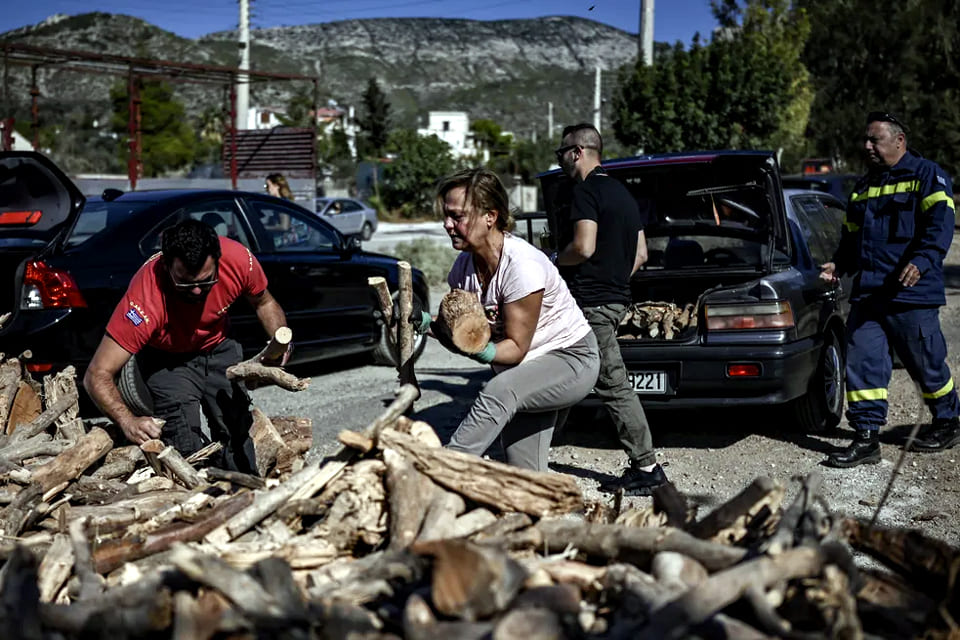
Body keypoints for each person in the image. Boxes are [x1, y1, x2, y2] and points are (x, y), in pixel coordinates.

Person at [83, 219, 290, 473]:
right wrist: (128, 421)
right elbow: (96, 374)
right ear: (167, 266)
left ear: (218, 260)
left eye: (205, 282)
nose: (195, 292)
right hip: (169, 361)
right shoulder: (144, 300)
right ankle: (198, 499)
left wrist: (281, 341)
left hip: (219, 346)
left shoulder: (237, 260)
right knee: (185, 445)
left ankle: (244, 491)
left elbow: (264, 303)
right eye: (185, 283)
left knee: (235, 429)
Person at [433, 167, 600, 472]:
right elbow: (463, 332)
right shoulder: (463, 268)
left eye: (457, 216)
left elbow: (515, 348)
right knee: (525, 472)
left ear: (490, 217)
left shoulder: (522, 266)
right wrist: (423, 325)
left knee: (497, 392)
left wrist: (481, 351)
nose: (447, 225)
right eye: (446, 216)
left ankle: (442, 471)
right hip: (524, 372)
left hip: (570, 359)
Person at [821, 111, 959, 468]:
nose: (867, 146)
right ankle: (867, 437)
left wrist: (924, 259)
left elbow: (940, 226)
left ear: (899, 141)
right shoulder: (863, 187)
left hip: (910, 292)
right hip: (869, 293)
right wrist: (839, 264)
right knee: (863, 361)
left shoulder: (926, 175)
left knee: (924, 362)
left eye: (875, 140)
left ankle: (947, 421)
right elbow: (851, 238)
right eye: (865, 140)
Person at [553, 122, 668, 496]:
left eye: (561, 154)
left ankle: (647, 467)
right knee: (562, 369)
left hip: (591, 304)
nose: (561, 162)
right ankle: (539, 446)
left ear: (577, 152)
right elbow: (641, 254)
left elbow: (583, 247)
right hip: (616, 301)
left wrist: (556, 257)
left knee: (613, 385)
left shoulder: (585, 191)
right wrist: (615, 280)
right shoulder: (622, 194)